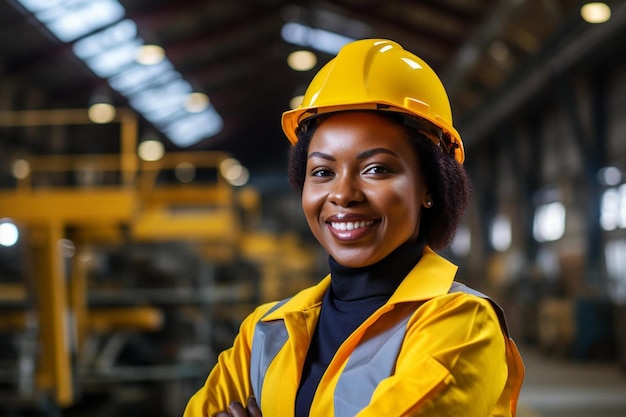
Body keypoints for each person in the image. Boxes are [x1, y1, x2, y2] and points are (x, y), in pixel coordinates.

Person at [184, 38, 524, 417]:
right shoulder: (265, 330)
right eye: (323, 172)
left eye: (376, 169)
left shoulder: (463, 324)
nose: (342, 194)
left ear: (429, 186)